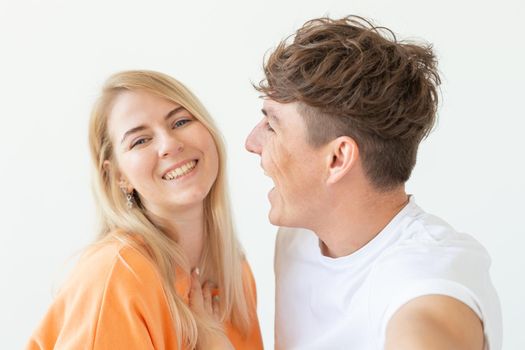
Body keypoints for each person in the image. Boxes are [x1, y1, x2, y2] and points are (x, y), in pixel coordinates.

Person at [245, 16, 502, 350]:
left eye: (272, 126)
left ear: (337, 159)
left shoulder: (428, 275)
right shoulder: (299, 237)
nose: (251, 142)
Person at [28, 70, 263, 350]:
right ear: (118, 176)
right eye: (140, 140)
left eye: (180, 121)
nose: (169, 144)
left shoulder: (234, 273)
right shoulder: (116, 275)